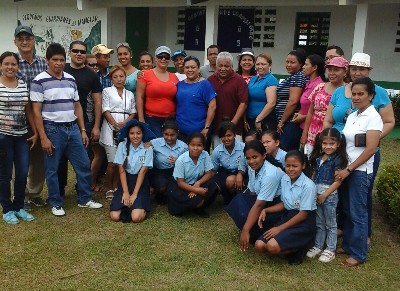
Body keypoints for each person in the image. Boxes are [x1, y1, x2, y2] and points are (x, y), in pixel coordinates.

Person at [323, 53, 395, 244]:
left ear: (368, 71)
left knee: (361, 197)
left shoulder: (377, 92)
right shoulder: (339, 91)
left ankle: (364, 235)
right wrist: (327, 142)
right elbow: (329, 119)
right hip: (339, 150)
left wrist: (371, 139)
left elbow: (389, 121)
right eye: (354, 68)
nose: (357, 72)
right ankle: (345, 230)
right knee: (344, 192)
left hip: (364, 153)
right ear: (348, 69)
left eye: (361, 69)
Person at [30, 43, 103, 216]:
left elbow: (77, 106)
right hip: (52, 130)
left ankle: (85, 199)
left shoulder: (70, 79)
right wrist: (43, 137)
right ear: (47, 60)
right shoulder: (39, 81)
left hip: (73, 128)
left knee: (83, 164)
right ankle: (55, 202)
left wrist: (83, 130)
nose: (59, 63)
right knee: (53, 168)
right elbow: (36, 112)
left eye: (61, 60)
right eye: (55, 60)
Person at [334, 77, 383, 267]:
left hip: (359, 171)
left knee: (358, 212)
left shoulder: (373, 117)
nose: (356, 97)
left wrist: (349, 169)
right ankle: (347, 244)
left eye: (361, 94)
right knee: (347, 210)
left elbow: (370, 149)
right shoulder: (353, 115)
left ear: (370, 95)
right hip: (347, 168)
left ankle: (359, 253)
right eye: (353, 94)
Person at [254, 150, 317, 265]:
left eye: (295, 166)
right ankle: (290, 245)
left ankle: (299, 247)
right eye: (288, 165)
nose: (291, 169)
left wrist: (279, 228)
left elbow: (303, 214)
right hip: (288, 216)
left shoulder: (308, 186)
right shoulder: (285, 179)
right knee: (259, 245)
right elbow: (284, 204)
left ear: (303, 166)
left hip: (304, 221)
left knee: (272, 247)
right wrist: (265, 209)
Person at [225, 140, 285, 252]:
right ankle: (251, 230)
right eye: (248, 158)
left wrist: (245, 230)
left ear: (264, 155)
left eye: (255, 157)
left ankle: (252, 233)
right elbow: (252, 193)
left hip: (277, 206)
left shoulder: (270, 174)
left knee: (246, 214)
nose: (251, 161)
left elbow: (259, 205)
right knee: (239, 201)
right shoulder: (253, 168)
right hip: (262, 200)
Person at [62, 41, 103, 193]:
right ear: (69, 52)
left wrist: (97, 126)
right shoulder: (61, 70)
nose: (79, 54)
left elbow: (98, 102)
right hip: (60, 121)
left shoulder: (91, 75)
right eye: (75, 51)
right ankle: (60, 191)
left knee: (84, 160)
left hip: (83, 123)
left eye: (82, 51)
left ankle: (83, 190)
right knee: (60, 161)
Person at [0, 51, 37, 224]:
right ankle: (7, 210)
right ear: (1, 66)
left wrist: (35, 131)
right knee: (5, 174)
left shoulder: (22, 84)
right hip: (3, 136)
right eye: (6, 63)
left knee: (22, 173)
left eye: (13, 64)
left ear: (18, 66)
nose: (10, 67)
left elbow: (28, 109)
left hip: (22, 135)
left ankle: (19, 206)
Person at [14, 25, 47, 209]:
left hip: (40, 118)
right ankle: (22, 196)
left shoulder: (43, 63)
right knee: (18, 159)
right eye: (21, 39)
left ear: (34, 41)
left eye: (28, 38)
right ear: (15, 41)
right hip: (17, 118)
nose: (25, 42)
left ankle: (34, 194)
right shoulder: (10, 62)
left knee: (38, 158)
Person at [306, 128, 348, 263]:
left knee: (330, 222)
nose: (328, 147)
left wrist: (325, 195)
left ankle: (330, 249)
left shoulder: (338, 159)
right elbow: (313, 176)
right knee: (319, 221)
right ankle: (318, 245)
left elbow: (338, 181)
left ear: (338, 144)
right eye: (325, 143)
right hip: (316, 193)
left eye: (332, 144)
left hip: (329, 194)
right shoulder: (318, 158)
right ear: (320, 143)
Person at [100, 65, 136, 199]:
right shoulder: (107, 91)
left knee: (122, 160)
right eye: (115, 77)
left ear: (125, 78)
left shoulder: (130, 93)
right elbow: (105, 109)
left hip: (125, 127)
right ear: (111, 79)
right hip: (110, 127)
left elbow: (133, 112)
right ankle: (109, 187)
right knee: (111, 161)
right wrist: (114, 124)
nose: (119, 79)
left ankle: (116, 185)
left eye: (121, 76)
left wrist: (125, 124)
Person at [110, 119, 156, 223]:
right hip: (125, 181)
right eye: (132, 133)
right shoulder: (122, 146)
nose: (135, 136)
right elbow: (121, 170)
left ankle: (137, 206)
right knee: (114, 216)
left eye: (138, 133)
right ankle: (127, 206)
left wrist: (134, 194)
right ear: (128, 134)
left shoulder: (147, 148)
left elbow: (143, 172)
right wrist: (126, 192)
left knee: (136, 218)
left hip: (140, 182)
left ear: (142, 134)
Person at [300, 56, 348, 155]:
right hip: (313, 135)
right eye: (330, 70)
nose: (332, 73)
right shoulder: (319, 87)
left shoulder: (347, 91)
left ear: (345, 72)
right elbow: (310, 112)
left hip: (333, 138)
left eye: (336, 70)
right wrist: (304, 134)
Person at [167, 133, 217, 218]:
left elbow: (209, 173)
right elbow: (180, 183)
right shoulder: (181, 160)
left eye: (199, 145)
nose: (195, 148)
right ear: (188, 145)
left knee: (214, 186)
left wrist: (198, 183)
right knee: (195, 201)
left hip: (196, 182)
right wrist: (196, 190)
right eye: (192, 145)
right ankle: (193, 205)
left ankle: (199, 206)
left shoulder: (205, 154)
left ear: (204, 146)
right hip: (180, 186)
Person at [136, 46, 179, 137]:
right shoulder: (145, 74)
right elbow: (139, 97)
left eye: (166, 57)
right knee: (156, 144)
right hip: (152, 118)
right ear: (155, 58)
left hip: (170, 118)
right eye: (160, 56)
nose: (163, 59)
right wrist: (141, 118)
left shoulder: (174, 77)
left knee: (169, 145)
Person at [208, 52, 248, 147]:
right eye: (220, 66)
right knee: (218, 154)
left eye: (226, 66)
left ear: (232, 66)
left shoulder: (239, 80)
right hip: (216, 127)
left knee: (236, 155)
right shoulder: (210, 80)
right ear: (216, 66)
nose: (223, 69)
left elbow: (243, 103)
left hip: (235, 128)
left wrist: (232, 124)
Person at [176, 55, 217, 143]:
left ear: (198, 69)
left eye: (193, 67)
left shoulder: (205, 84)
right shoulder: (179, 85)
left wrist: (206, 128)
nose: (190, 70)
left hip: (199, 133)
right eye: (187, 67)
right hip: (180, 132)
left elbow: (212, 106)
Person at [276, 49, 308, 151]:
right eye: (287, 62)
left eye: (292, 62)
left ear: (301, 64)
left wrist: (282, 121)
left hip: (290, 123)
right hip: (287, 122)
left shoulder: (298, 77)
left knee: (286, 152)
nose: (289, 65)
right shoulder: (294, 77)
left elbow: (293, 101)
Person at [149, 118, 188, 204]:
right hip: (159, 172)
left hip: (176, 172)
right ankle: (159, 195)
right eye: (166, 134)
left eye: (172, 135)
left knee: (178, 187)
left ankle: (170, 195)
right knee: (162, 186)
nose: (169, 138)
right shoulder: (155, 142)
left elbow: (189, 161)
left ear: (177, 133)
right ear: (162, 132)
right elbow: (144, 147)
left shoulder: (183, 146)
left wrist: (178, 161)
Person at [210, 121, 247, 205]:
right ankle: (229, 199)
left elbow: (248, 166)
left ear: (234, 135)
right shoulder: (217, 151)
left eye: (229, 135)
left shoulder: (243, 147)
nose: (226, 139)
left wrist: (240, 174)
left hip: (242, 172)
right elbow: (213, 171)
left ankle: (236, 200)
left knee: (230, 180)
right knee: (213, 184)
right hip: (225, 172)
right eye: (223, 136)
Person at [292, 54, 325, 136]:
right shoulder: (308, 83)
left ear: (314, 68)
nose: (303, 67)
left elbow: (320, 112)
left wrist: (302, 117)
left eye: (306, 64)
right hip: (302, 126)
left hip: (311, 129)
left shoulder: (319, 86)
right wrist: (299, 113)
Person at [246, 53, 278, 133]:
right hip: (250, 120)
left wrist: (258, 119)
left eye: (263, 64)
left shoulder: (271, 80)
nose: (260, 67)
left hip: (264, 122)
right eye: (258, 64)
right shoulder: (253, 79)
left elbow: (271, 103)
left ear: (269, 65)